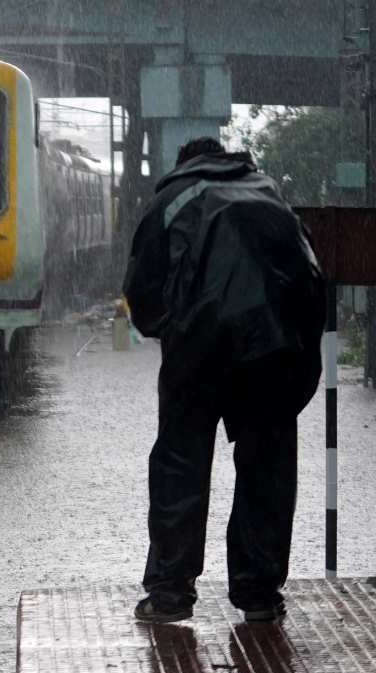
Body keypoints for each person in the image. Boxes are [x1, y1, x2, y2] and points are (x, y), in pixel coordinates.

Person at [123, 137, 325, 624]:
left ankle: (170, 595)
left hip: (199, 345)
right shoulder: (269, 192)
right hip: (273, 347)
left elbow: (142, 290)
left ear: (184, 163)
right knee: (267, 467)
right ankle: (258, 595)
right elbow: (311, 277)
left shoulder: (172, 199)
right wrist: (298, 353)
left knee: (180, 463)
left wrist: (171, 329)